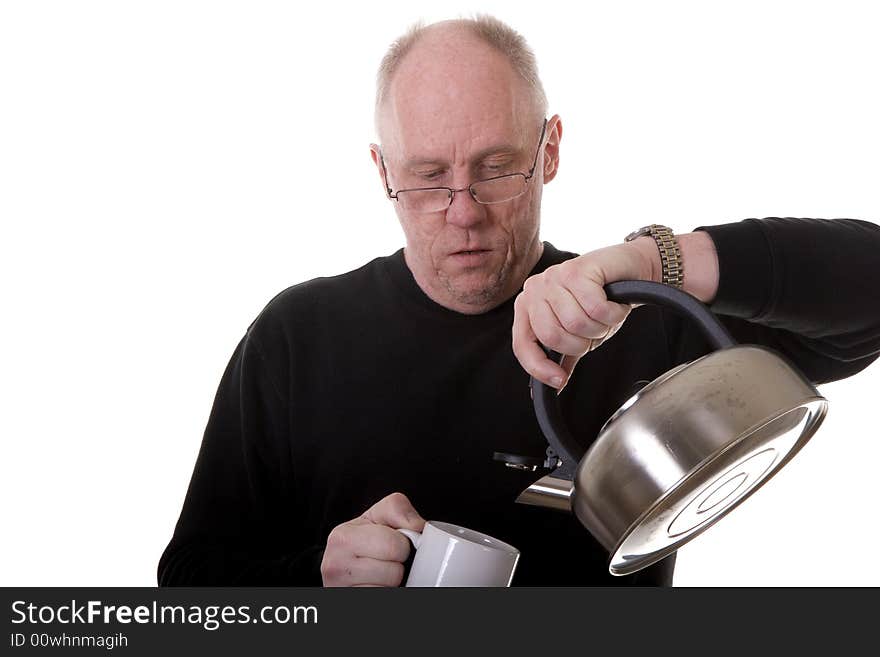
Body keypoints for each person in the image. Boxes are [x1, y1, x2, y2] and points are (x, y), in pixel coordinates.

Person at [158, 15, 880, 587]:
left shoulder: (644, 317)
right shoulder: (295, 338)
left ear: (551, 150)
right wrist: (315, 579)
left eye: (497, 168)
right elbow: (188, 587)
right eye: (427, 176)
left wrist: (651, 261)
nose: (462, 211)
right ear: (382, 169)